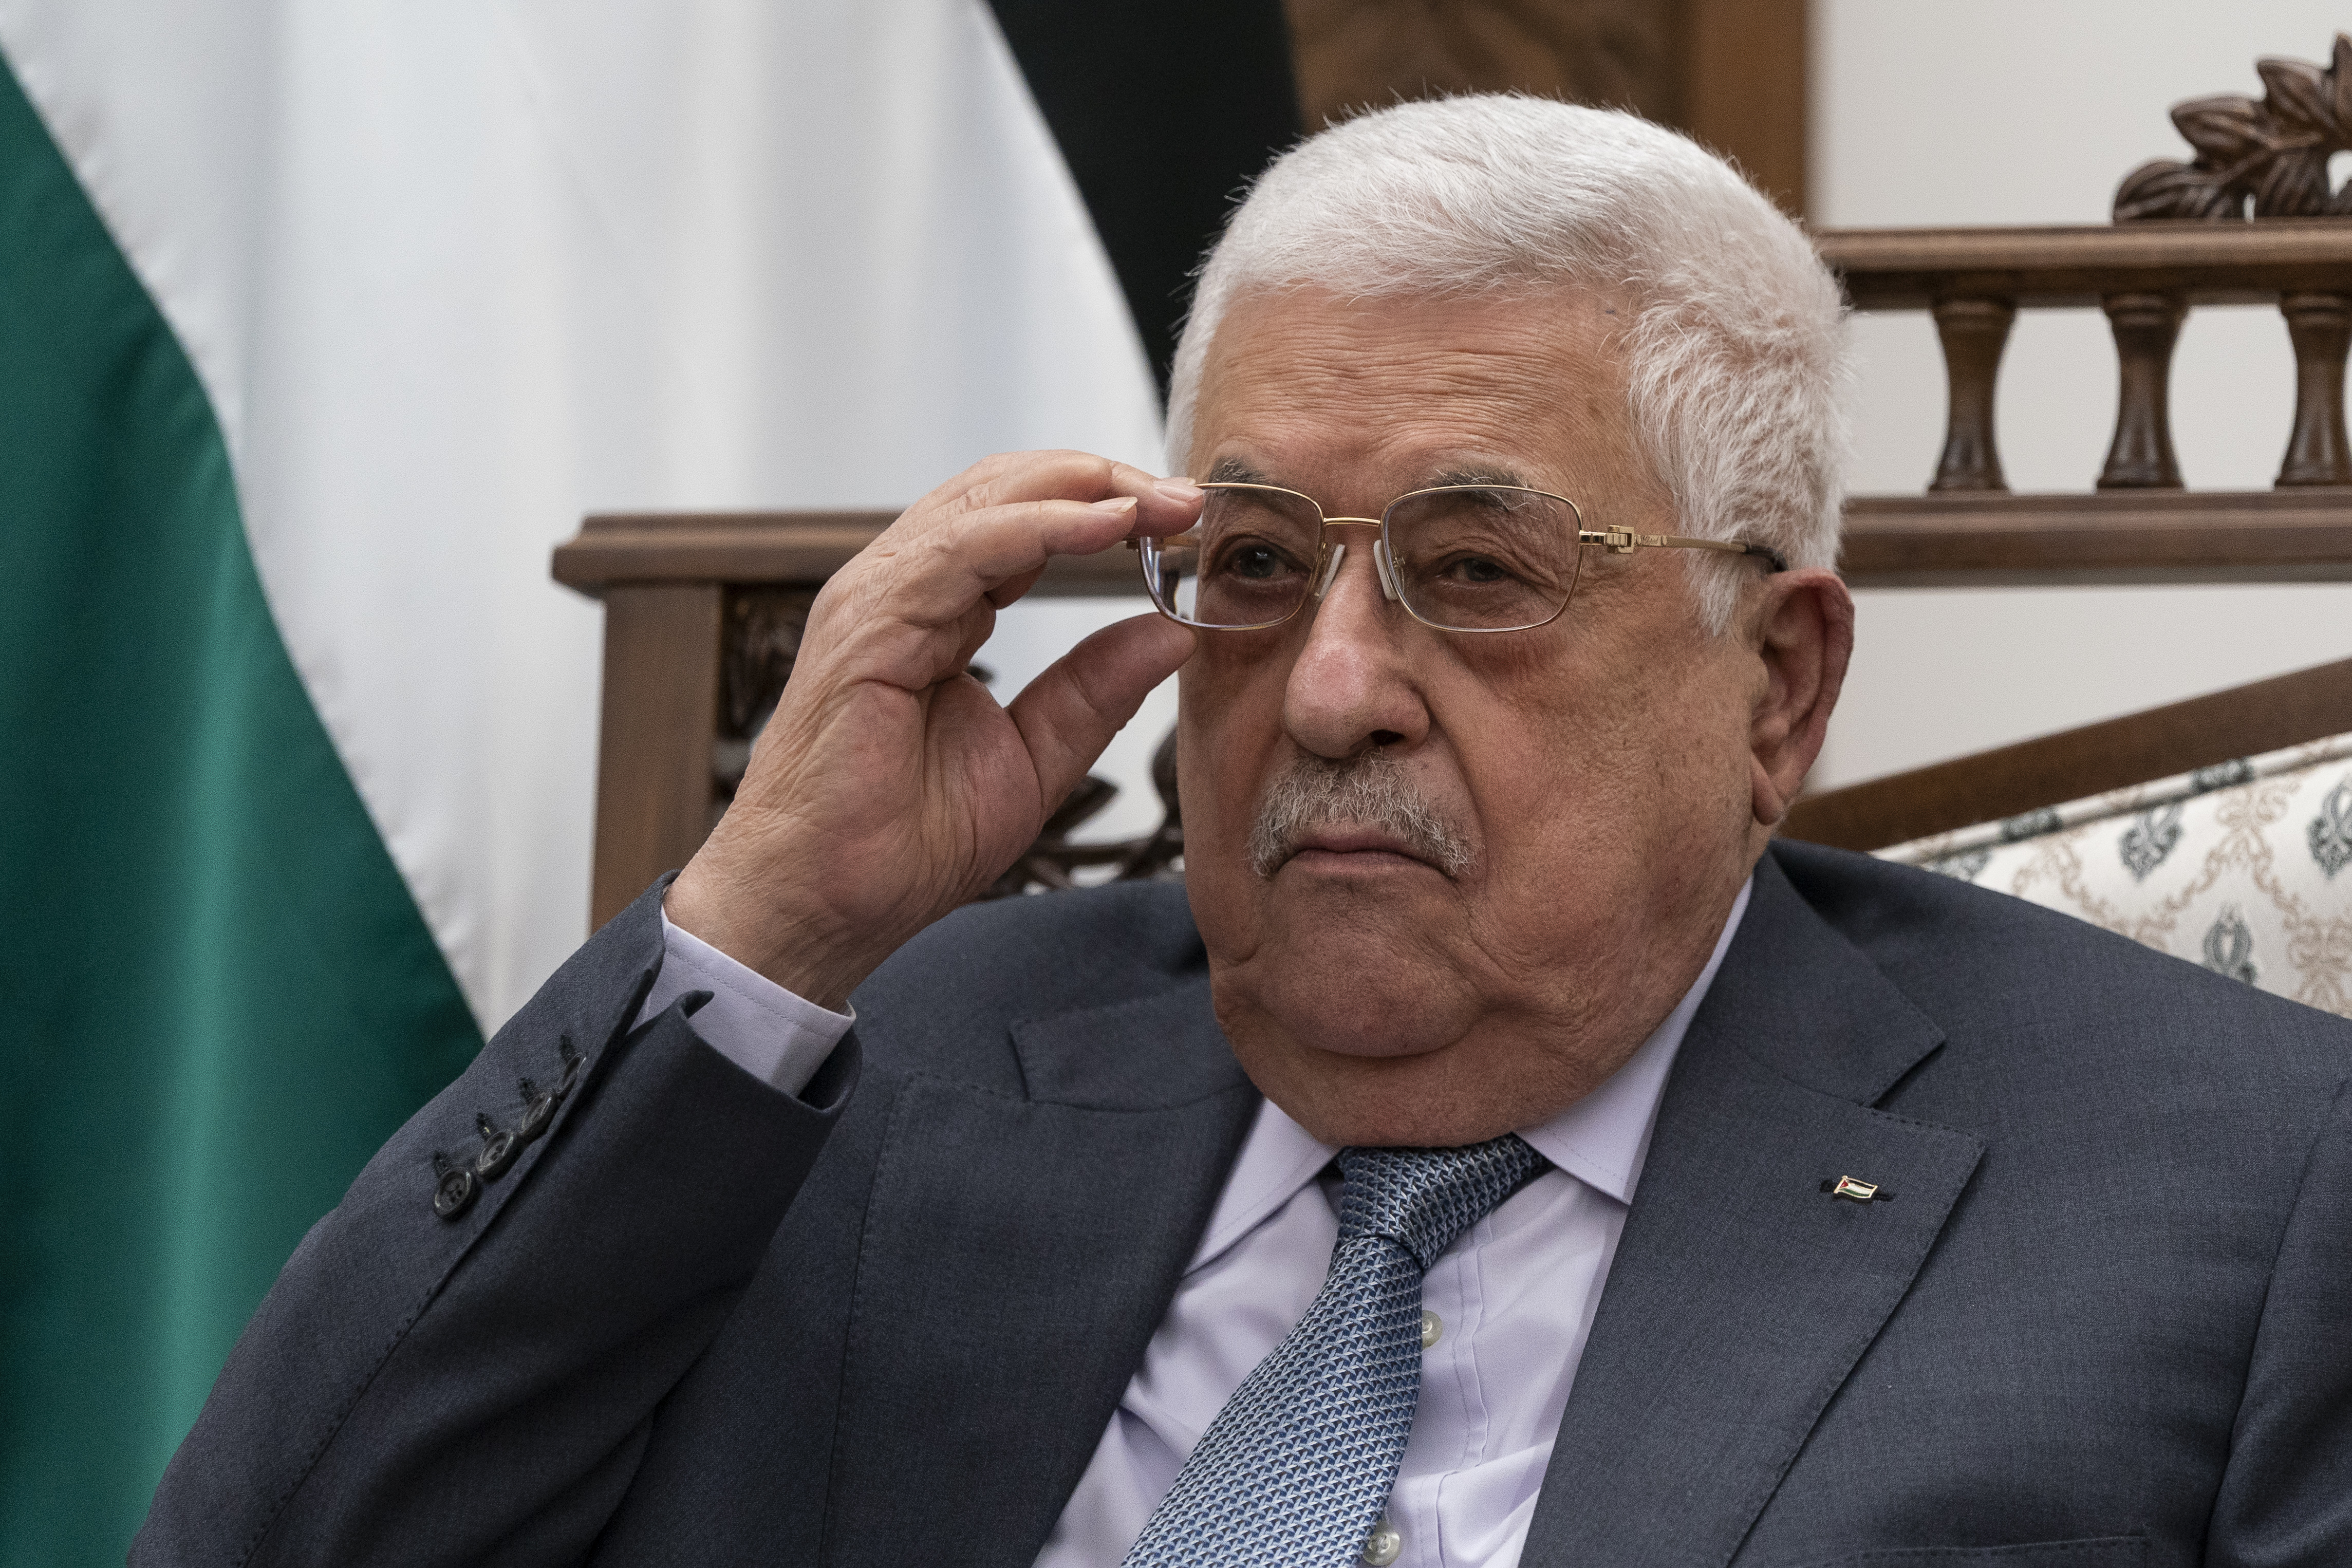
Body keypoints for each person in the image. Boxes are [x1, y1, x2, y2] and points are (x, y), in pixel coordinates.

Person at [138, 97, 2349, 1568]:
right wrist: (757, 924)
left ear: (1770, 683)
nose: (1326, 687)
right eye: (1261, 562)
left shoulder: (2225, 1196)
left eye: (1476, 571)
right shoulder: (861, 1067)